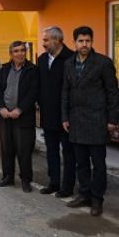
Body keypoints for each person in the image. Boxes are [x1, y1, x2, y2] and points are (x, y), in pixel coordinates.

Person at [62, 26, 119, 217]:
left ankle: (97, 199)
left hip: (97, 121)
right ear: (75, 43)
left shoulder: (103, 63)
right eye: (80, 41)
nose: (84, 44)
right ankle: (84, 194)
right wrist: (64, 117)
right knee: (81, 163)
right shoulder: (69, 63)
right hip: (76, 121)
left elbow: (113, 93)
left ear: (91, 42)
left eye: (87, 41)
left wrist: (112, 120)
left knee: (99, 164)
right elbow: (65, 92)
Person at [0, 41, 39, 193]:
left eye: (22, 50)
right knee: (7, 148)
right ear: (10, 54)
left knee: (24, 150)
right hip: (5, 116)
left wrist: (20, 109)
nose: (19, 53)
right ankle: (8, 176)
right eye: (16, 51)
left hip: (23, 117)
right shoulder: (5, 69)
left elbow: (33, 93)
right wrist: (0, 107)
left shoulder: (32, 70)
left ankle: (26, 180)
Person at [37, 26, 76, 197]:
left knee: (68, 153)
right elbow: (40, 85)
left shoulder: (71, 59)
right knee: (51, 150)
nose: (43, 43)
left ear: (57, 40)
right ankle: (53, 182)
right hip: (48, 114)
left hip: (66, 117)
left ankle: (67, 187)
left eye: (46, 40)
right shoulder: (42, 59)